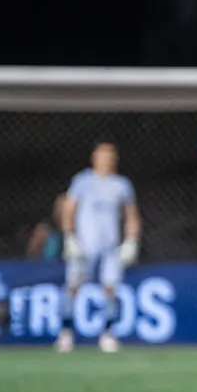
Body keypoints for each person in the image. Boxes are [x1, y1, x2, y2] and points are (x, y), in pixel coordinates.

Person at [57, 142, 141, 353]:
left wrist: (131, 241)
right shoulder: (82, 181)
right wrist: (69, 237)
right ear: (94, 158)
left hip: (110, 247)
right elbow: (68, 209)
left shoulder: (122, 184)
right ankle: (66, 333)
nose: (107, 161)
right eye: (103, 156)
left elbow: (131, 215)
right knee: (73, 286)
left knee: (111, 290)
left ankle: (108, 334)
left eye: (111, 157)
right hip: (84, 246)